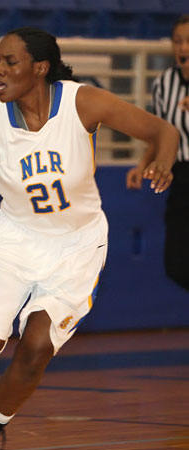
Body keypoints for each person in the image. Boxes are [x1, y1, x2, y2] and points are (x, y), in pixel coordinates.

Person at [0, 27, 179, 450]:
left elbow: (160, 129)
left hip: (77, 244)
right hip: (15, 239)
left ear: (40, 68)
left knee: (36, 348)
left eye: (9, 61)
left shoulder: (81, 102)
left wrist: (162, 161)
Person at [127, 14, 189, 291]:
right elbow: (160, 133)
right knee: (176, 264)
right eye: (178, 41)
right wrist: (142, 165)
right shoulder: (165, 83)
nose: (183, 48)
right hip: (180, 175)